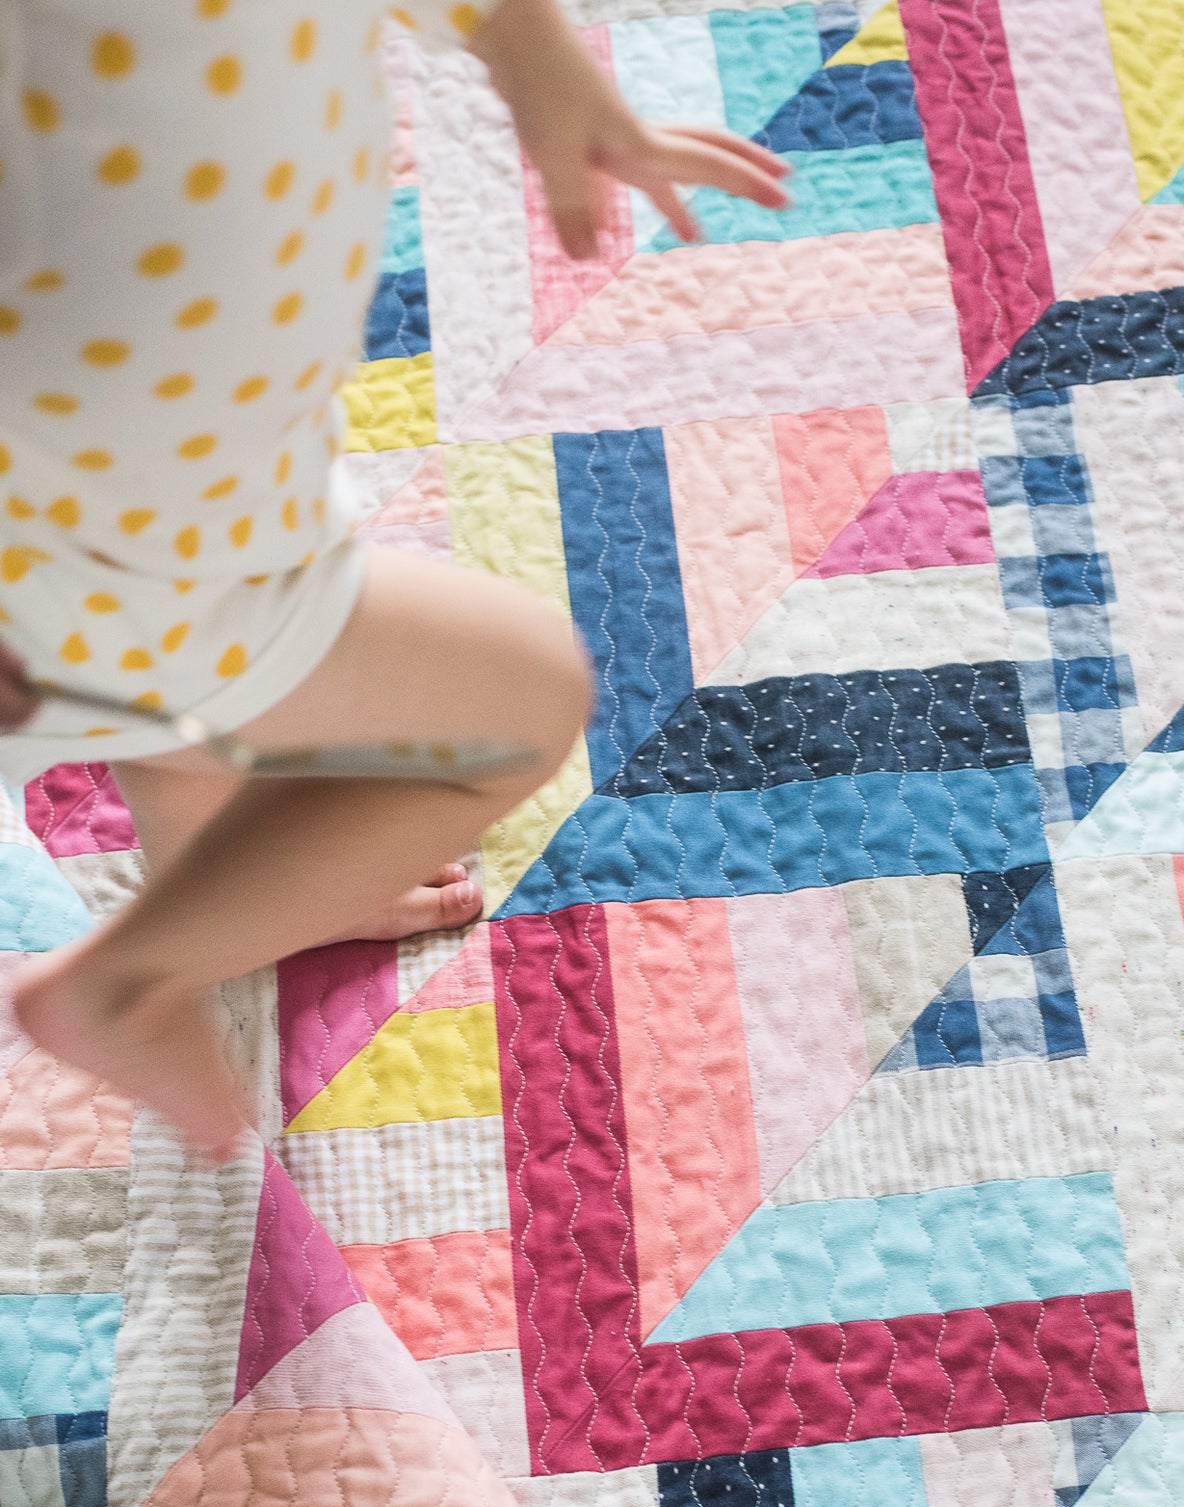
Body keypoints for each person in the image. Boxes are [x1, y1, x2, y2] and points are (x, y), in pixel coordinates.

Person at [0, 0, 788, 1154]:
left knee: (180, 715)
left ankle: (229, 888)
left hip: (140, 527)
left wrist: (540, 67)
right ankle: (129, 981)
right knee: (515, 707)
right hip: (163, 554)